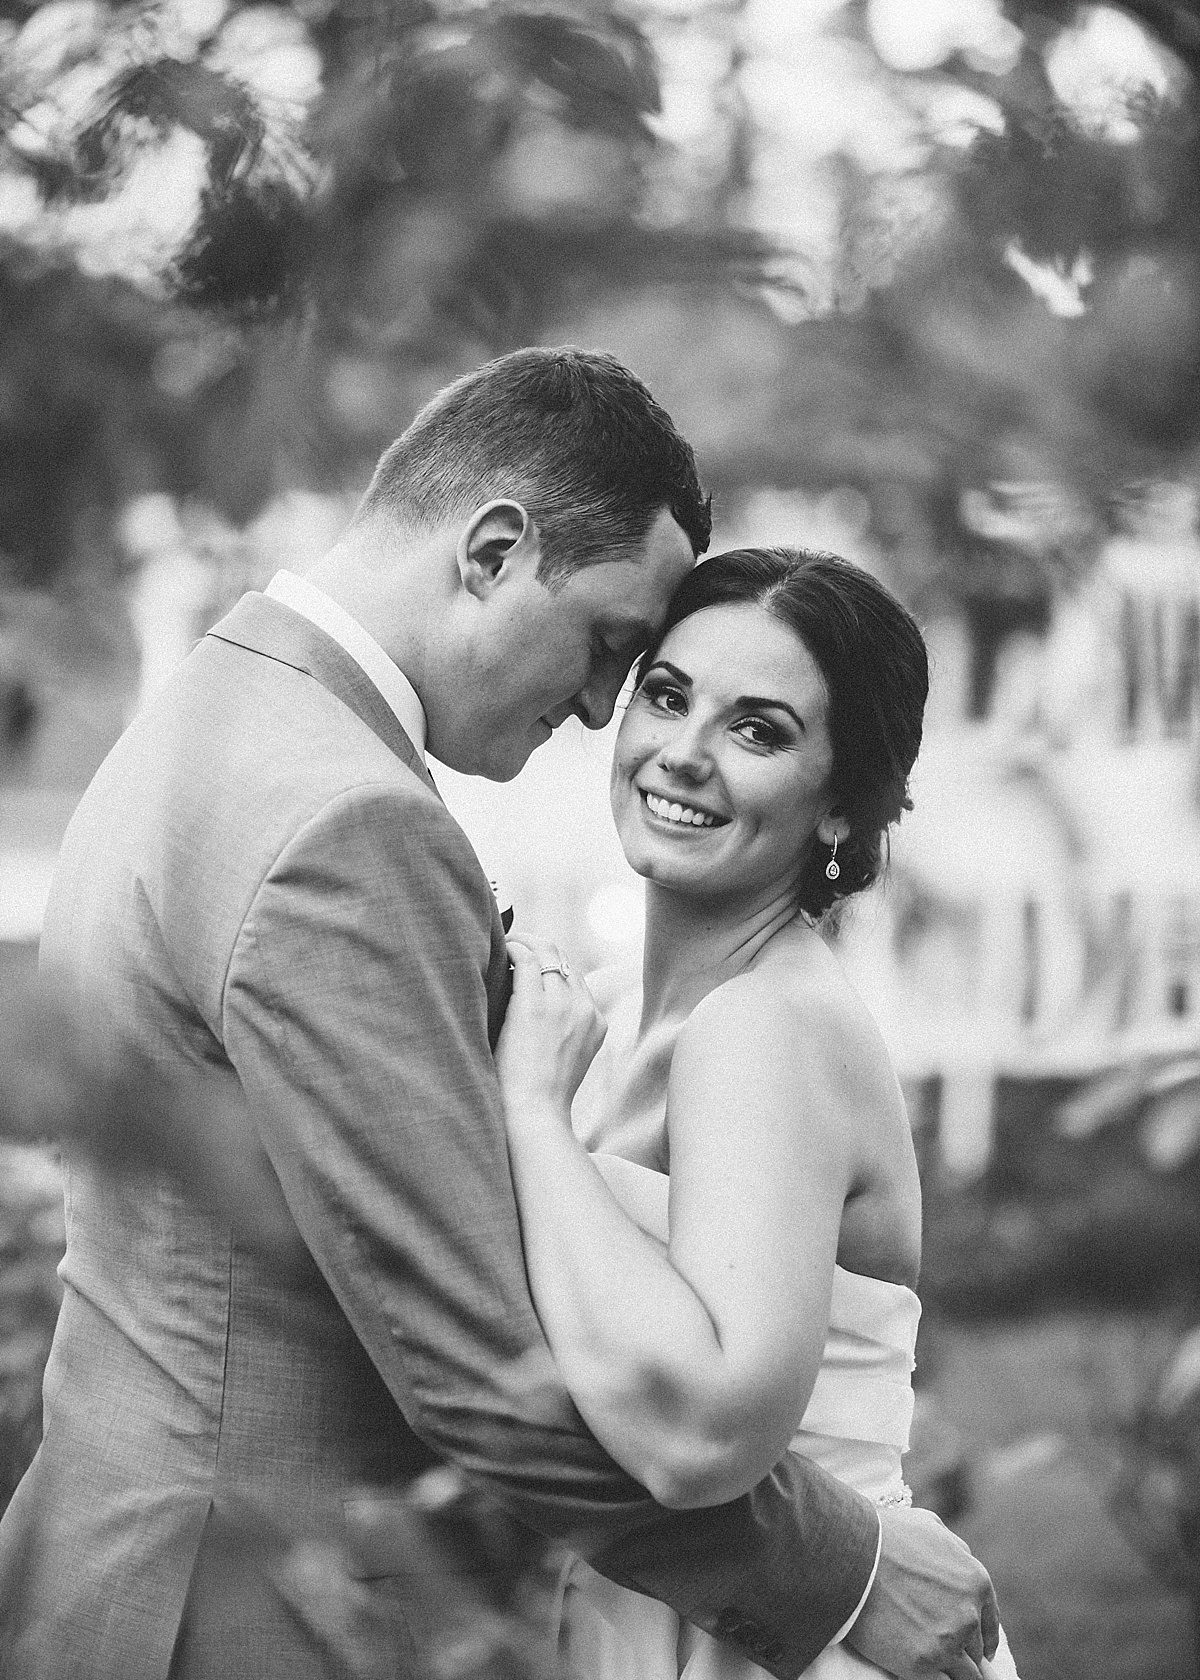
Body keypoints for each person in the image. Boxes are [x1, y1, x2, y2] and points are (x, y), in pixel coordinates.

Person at [0, 350, 995, 1680]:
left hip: (122, 1549)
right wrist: (845, 1572)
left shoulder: (218, 704)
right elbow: (471, 1363)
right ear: (492, 552)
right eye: (617, 651)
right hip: (237, 1608)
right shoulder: (347, 824)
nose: (598, 710)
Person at [495, 546, 1020, 1680]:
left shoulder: (763, 1028)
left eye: (758, 730)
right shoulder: (614, 1014)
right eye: (667, 695)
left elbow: (702, 1434)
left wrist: (532, 1117)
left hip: (793, 1640)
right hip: (665, 1609)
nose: (684, 752)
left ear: (841, 804)